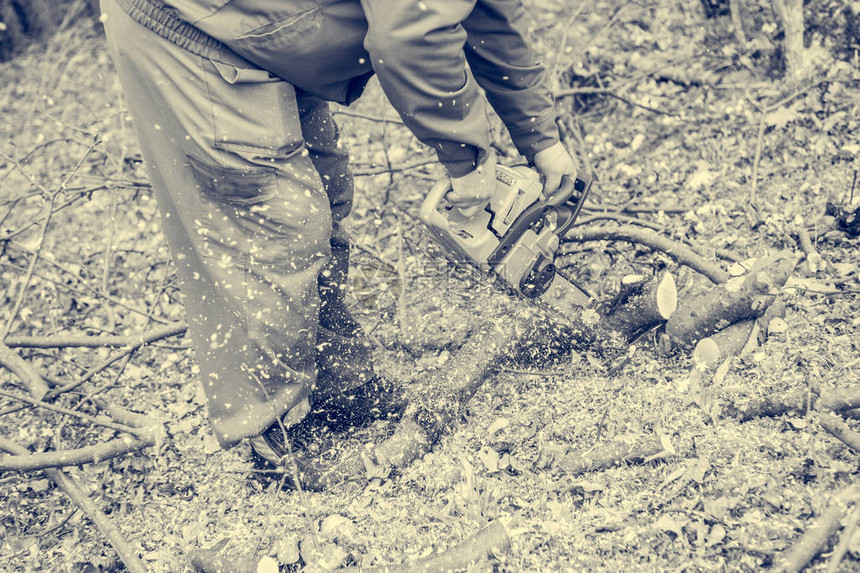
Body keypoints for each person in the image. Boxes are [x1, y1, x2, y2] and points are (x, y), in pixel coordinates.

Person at [99, 0, 577, 486]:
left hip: (260, 30)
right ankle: (273, 431)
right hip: (187, 28)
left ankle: (339, 383)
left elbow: (489, 13)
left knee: (324, 191)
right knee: (272, 220)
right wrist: (465, 157)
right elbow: (410, 28)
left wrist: (540, 136)